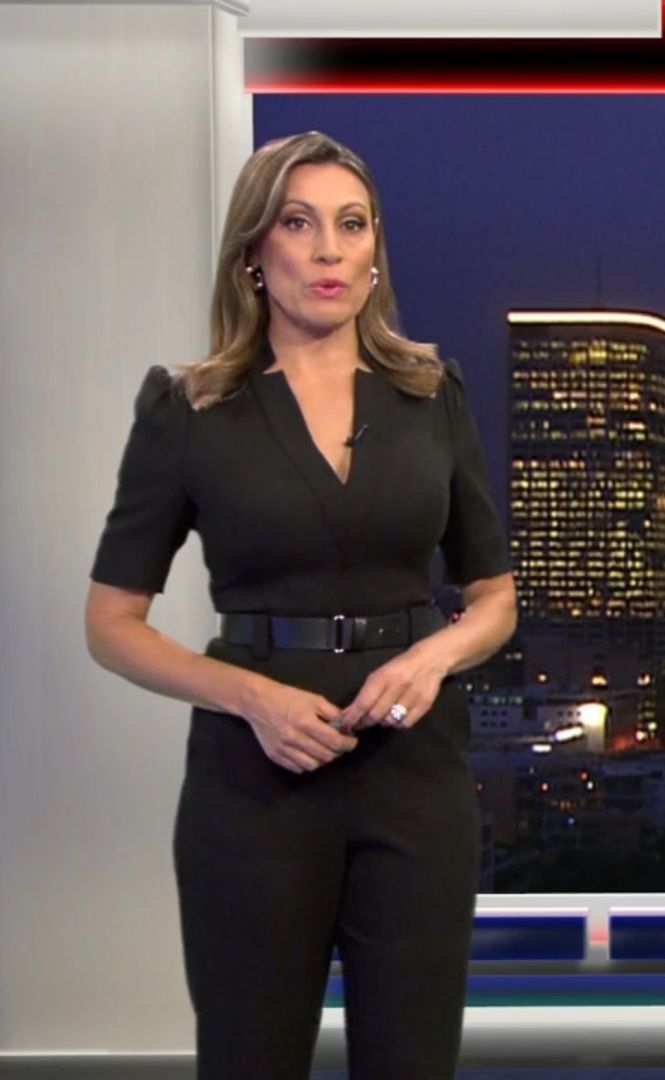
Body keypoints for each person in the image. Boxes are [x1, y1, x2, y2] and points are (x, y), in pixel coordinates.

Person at [85, 130, 516, 1080]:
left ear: (374, 252)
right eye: (298, 223)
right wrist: (250, 697)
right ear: (254, 251)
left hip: (415, 776)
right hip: (255, 785)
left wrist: (433, 657)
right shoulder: (188, 408)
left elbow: (493, 598)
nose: (328, 249)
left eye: (352, 225)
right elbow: (110, 623)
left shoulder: (431, 395)